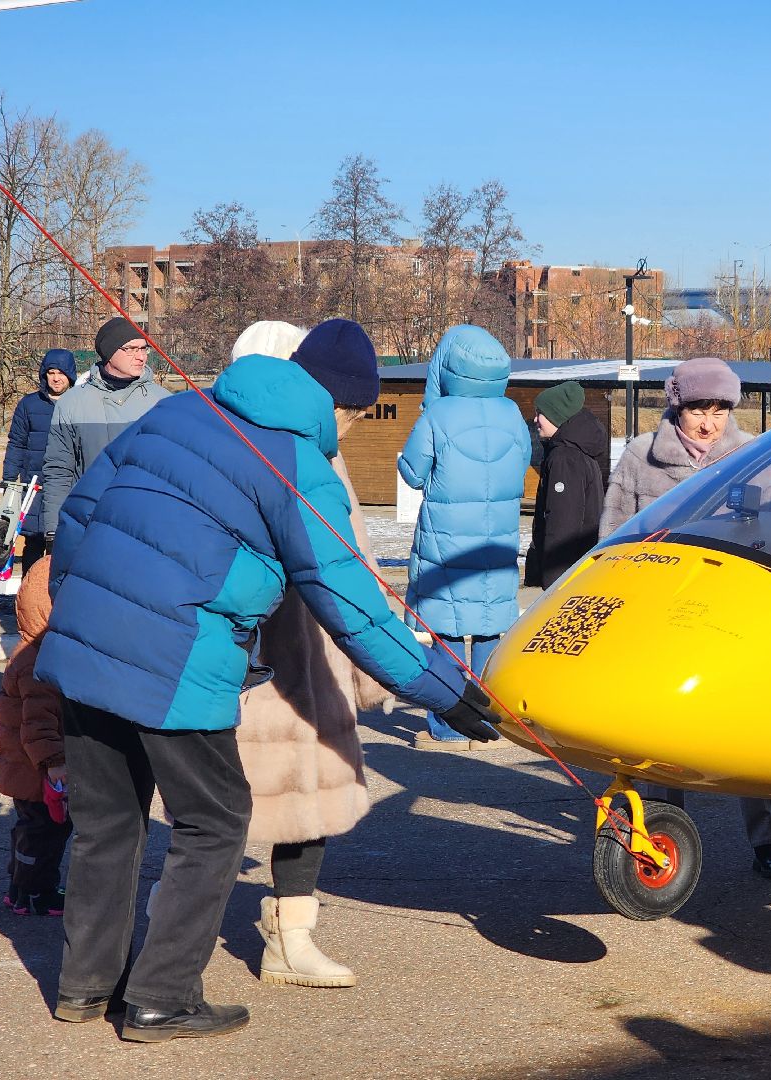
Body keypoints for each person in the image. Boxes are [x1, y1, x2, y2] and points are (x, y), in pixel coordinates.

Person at [35, 318, 497, 1043]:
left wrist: (80, 605)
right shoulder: (297, 462)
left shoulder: (184, 406)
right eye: (353, 414)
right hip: (177, 656)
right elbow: (351, 607)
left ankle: (86, 989)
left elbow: (82, 510)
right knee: (215, 821)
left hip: (85, 642)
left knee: (109, 823)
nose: (345, 428)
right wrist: (445, 691)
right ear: (338, 402)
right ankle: (161, 998)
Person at [227, 320, 388, 990]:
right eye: (348, 410)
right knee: (217, 806)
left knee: (307, 800)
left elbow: (357, 559)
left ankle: (292, 939)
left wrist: (370, 658)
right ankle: (166, 945)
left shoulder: (325, 452)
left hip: (312, 648)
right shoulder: (260, 446)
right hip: (253, 652)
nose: (352, 423)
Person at [599, 357, 771, 880]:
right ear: (676, 405)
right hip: (659, 613)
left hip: (729, 611)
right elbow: (612, 537)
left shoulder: (753, 453)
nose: (710, 423)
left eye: (720, 410)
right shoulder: (640, 457)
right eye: (699, 410)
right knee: (660, 732)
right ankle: (667, 831)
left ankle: (769, 841)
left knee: (749, 725)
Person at [399, 324, 530, 750]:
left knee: (446, 632)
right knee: (489, 630)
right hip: (497, 541)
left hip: (446, 541)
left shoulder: (438, 414)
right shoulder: (512, 413)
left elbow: (414, 473)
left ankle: (448, 726)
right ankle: (489, 722)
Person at [41, 316, 171, 547]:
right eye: (131, 349)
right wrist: (54, 529)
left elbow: (173, 473)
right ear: (109, 352)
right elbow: (58, 470)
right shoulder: (71, 403)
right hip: (90, 525)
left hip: (148, 528)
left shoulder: (163, 403)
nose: (140, 356)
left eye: (144, 349)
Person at [0, 556, 71, 916]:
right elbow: (37, 720)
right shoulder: (40, 658)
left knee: (30, 829)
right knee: (45, 834)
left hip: (25, 767)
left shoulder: (28, 651)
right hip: (37, 770)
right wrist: (54, 761)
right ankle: (38, 892)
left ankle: (19, 888)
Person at [524, 380, 608, 589]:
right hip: (579, 570)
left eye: (539, 413)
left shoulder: (565, 458)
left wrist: (553, 581)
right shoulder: (578, 451)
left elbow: (562, 523)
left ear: (556, 416)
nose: (535, 419)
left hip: (566, 575)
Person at [2, 349, 76, 576]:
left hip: (67, 485)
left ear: (70, 375)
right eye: (51, 372)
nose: (55, 378)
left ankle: (55, 599)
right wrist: (9, 478)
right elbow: (17, 442)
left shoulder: (80, 403)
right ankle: (28, 593)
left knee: (61, 543)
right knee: (33, 542)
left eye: (61, 373)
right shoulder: (29, 404)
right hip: (34, 485)